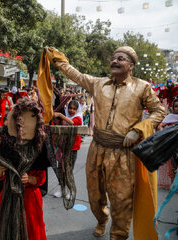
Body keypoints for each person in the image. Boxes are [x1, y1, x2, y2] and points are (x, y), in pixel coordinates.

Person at [43, 46, 166, 239]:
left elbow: (159, 111)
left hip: (123, 151)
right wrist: (57, 59)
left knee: (121, 198)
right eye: (113, 58)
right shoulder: (98, 84)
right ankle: (102, 219)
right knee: (95, 196)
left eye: (121, 58)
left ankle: (118, 234)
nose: (115, 61)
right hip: (97, 148)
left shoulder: (142, 87)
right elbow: (76, 75)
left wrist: (138, 130)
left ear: (131, 65)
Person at [157, 98, 178, 189]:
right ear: (173, 107)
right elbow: (160, 126)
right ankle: (174, 185)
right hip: (172, 145)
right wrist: (165, 132)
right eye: (176, 106)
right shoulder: (170, 117)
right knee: (172, 166)